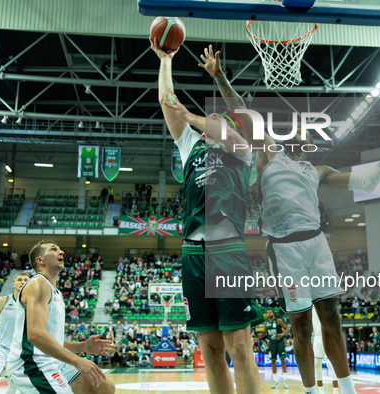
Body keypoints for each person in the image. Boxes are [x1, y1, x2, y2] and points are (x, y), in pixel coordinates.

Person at [200, 42, 380, 394]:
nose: (306, 136)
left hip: (317, 244)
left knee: (331, 319)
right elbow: (242, 113)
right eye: (302, 132)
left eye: (311, 136)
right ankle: (311, 391)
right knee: (301, 327)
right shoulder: (269, 154)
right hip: (284, 248)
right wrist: (220, 76)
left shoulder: (318, 170)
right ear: (292, 139)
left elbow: (367, 180)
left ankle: (347, 390)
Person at [151, 39, 264, 394]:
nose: (214, 119)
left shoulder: (241, 150)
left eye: (217, 117)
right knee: (211, 350)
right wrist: (166, 60)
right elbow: (166, 102)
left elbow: (237, 115)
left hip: (228, 251)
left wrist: (218, 80)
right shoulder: (192, 147)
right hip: (193, 255)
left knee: (240, 348)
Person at [6, 240, 116, 393]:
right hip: (31, 363)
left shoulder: (56, 293)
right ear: (40, 260)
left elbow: (55, 341)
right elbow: (36, 334)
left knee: (104, 389)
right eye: (53, 249)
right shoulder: (38, 283)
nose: (62, 252)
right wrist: (77, 360)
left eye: (60, 250)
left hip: (51, 360)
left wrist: (83, 346)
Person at [253, 308, 290, 389]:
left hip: (279, 342)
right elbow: (264, 333)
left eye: (270, 312)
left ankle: (285, 380)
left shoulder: (279, 321)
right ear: (266, 315)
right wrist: (257, 339)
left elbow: (287, 329)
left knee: (282, 360)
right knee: (273, 361)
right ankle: (275, 381)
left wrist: (282, 334)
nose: (269, 313)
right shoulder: (266, 323)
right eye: (267, 312)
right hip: (271, 343)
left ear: (273, 313)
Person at [313, 309, 338, 394]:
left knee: (330, 364)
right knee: (316, 365)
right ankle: (321, 392)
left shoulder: (325, 304)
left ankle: (336, 391)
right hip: (317, 338)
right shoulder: (310, 307)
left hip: (328, 336)